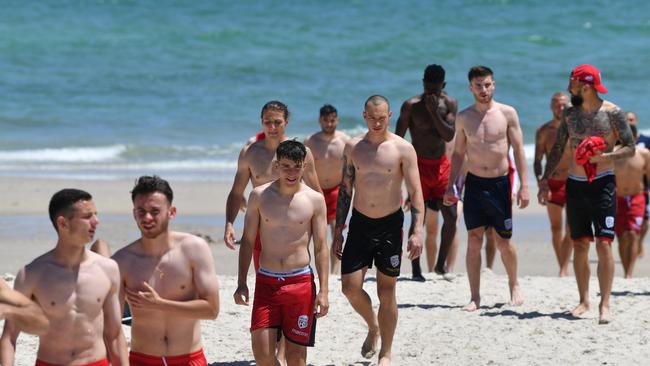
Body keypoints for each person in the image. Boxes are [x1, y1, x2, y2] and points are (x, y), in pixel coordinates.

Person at [538, 64, 635, 324]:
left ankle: (605, 304)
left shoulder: (613, 113)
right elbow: (558, 149)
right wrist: (545, 180)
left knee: (604, 244)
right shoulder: (569, 114)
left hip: (603, 183)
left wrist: (605, 156)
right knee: (579, 243)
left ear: (586, 86)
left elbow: (630, 148)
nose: (569, 86)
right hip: (576, 184)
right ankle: (583, 300)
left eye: (572, 83)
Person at [333, 95, 423, 365]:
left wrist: (417, 230)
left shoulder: (403, 149)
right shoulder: (353, 147)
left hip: (389, 226)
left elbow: (416, 192)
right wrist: (338, 229)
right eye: (372, 117)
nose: (377, 122)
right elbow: (345, 189)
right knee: (349, 288)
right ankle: (373, 326)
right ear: (364, 116)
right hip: (360, 224)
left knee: (387, 292)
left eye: (382, 117)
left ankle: (386, 352)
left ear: (390, 115)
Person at [0, 189, 127, 365]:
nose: (96, 221)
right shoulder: (33, 274)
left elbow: (114, 334)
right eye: (87, 216)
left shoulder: (108, 269)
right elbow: (9, 337)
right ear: (63, 223)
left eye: (96, 215)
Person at [234, 140, 329, 366]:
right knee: (263, 357)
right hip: (267, 282)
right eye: (286, 166)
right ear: (276, 165)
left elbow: (321, 247)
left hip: (300, 284)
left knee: (296, 359)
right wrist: (241, 282)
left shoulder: (315, 200)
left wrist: (324, 291)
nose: (292, 172)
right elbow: (247, 241)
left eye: (297, 166)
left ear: (304, 166)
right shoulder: (259, 196)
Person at [444, 65, 529, 312]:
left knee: (504, 241)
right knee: (473, 239)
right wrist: (450, 186)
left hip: (500, 184)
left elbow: (519, 151)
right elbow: (458, 153)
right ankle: (475, 297)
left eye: (488, 84)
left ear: (494, 84)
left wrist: (524, 186)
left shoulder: (507, 113)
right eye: (479, 85)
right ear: (471, 87)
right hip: (475, 184)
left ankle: (514, 284)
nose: (484, 89)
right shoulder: (464, 117)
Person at [112, 176, 220, 365]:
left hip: (189, 358)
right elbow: (111, 326)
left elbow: (211, 310)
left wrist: (159, 304)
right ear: (134, 213)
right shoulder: (122, 261)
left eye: (155, 211)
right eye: (141, 211)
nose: (147, 218)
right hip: (143, 359)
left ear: (171, 212)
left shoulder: (194, 249)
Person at [224, 101, 322, 270]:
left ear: (286, 122)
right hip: (261, 224)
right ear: (261, 121)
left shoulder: (301, 153)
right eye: (267, 122)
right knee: (262, 272)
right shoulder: (250, 153)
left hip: (294, 225)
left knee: (295, 271)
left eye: (277, 122)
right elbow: (236, 192)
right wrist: (229, 224)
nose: (272, 127)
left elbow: (316, 191)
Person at [395, 64, 458, 281]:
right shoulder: (411, 106)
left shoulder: (449, 103)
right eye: (428, 87)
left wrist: (434, 113)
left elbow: (449, 135)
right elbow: (398, 140)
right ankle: (415, 270)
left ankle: (440, 265)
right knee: (416, 218)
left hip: (441, 165)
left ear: (443, 86)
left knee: (451, 216)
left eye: (436, 89)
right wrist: (399, 176)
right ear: (423, 84)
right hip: (418, 166)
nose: (432, 92)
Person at [305, 104, 350, 274]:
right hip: (315, 191)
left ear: (337, 120)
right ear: (320, 120)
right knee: (313, 232)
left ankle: (334, 271)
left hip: (337, 190)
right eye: (326, 120)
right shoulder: (310, 141)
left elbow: (352, 168)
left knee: (337, 231)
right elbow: (302, 167)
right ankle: (309, 268)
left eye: (332, 120)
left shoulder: (345, 141)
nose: (329, 124)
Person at [534, 92, 573, 276]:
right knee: (556, 228)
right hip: (553, 184)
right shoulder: (544, 131)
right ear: (551, 106)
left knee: (571, 228)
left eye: (564, 104)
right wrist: (541, 185)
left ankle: (564, 267)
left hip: (574, 183)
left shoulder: (576, 129)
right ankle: (562, 267)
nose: (561, 108)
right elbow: (537, 161)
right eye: (557, 104)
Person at [613, 125, 650, 278]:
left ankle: (629, 273)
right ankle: (625, 269)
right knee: (621, 236)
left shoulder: (644, 154)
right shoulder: (613, 154)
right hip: (617, 198)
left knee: (633, 234)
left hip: (637, 197)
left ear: (635, 138)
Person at [627, 111, 649, 258]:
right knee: (627, 222)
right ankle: (631, 246)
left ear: (636, 121)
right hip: (625, 186)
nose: (629, 122)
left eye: (632, 119)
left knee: (646, 220)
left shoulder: (646, 140)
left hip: (644, 186)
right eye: (627, 120)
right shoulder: (618, 142)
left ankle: (640, 242)